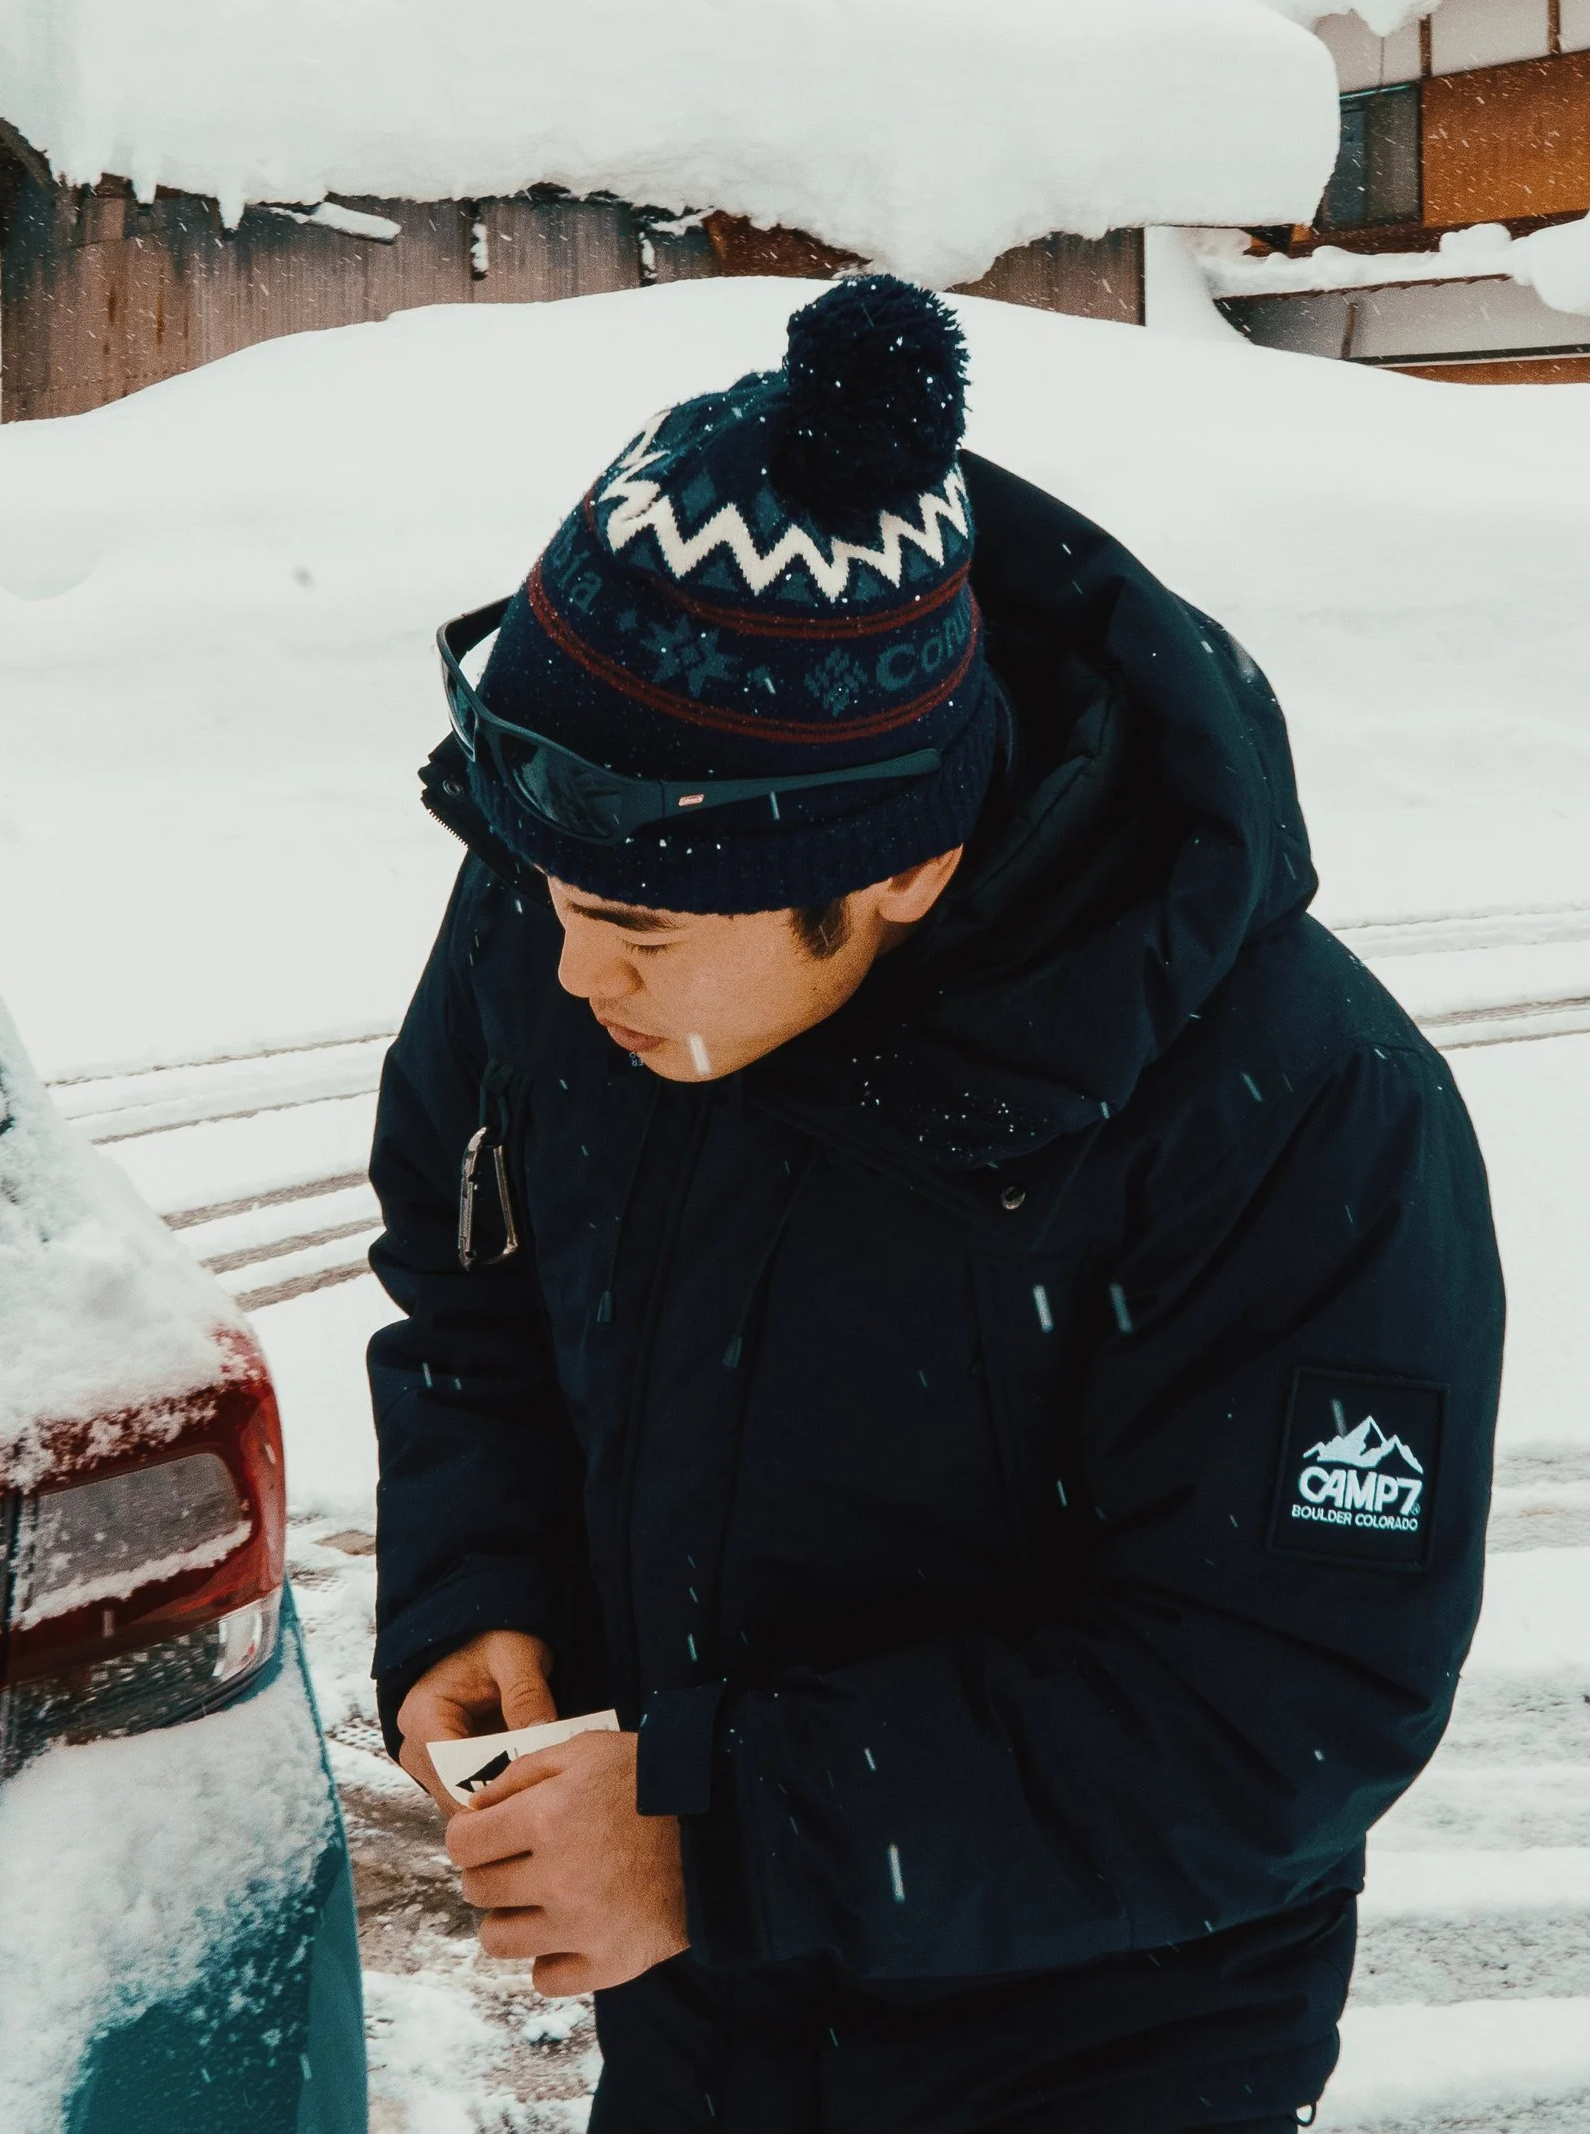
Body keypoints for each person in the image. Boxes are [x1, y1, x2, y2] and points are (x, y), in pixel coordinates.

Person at [366, 275, 1502, 2134]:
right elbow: (469, 1282)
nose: (568, 973)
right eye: (538, 892)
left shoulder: (1300, 1116)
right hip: (700, 2035)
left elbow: (1278, 1700)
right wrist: (478, 1580)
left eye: (634, 929)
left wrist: (718, 1838)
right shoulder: (587, 858)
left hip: (1097, 2055)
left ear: (899, 864)